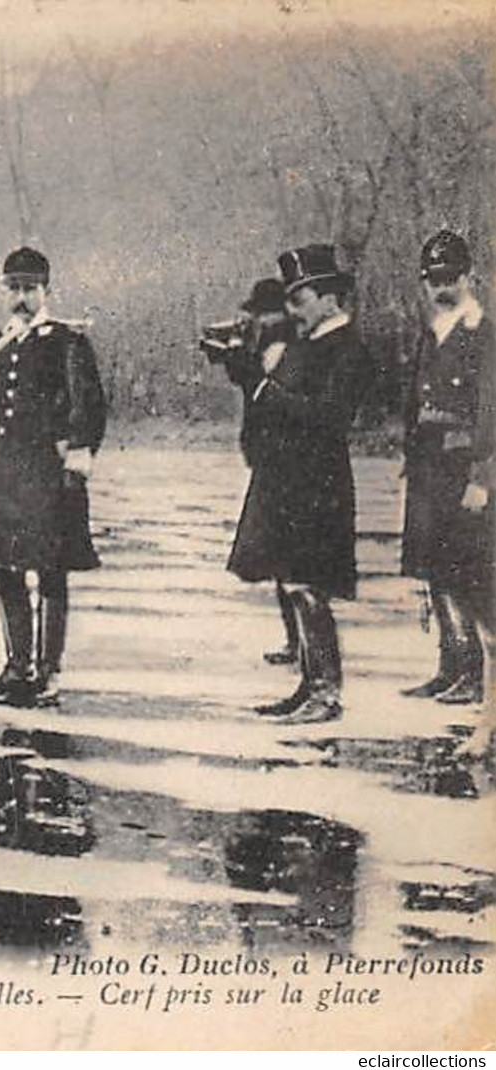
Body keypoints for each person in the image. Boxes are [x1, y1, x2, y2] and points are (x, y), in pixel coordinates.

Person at [0, 246, 107, 708]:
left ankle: (48, 673)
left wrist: (77, 461)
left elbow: (88, 405)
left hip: (45, 472)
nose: (21, 298)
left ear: (47, 291)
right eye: (13, 289)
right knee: (3, 568)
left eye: (29, 289)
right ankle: (16, 668)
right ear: (4, 291)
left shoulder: (67, 342)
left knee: (51, 570)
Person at [227, 244, 370, 724]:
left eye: (301, 298)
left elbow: (328, 416)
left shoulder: (348, 349)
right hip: (290, 484)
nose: (294, 310)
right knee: (294, 584)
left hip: (317, 486)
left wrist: (264, 387)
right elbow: (276, 407)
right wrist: (247, 379)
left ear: (330, 298)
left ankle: (326, 692)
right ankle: (310, 684)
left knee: (309, 588)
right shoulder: (308, 345)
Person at [400, 229, 491, 709]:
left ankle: (475, 672)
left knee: (465, 572)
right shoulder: (429, 334)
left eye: (450, 276)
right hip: (428, 466)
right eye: (433, 278)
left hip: (460, 466)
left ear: (469, 275)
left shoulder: (483, 335)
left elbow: (490, 411)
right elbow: (413, 401)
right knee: (434, 569)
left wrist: (482, 477)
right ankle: (448, 667)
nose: (442, 287)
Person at [211, 278, 304, 699]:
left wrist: (241, 360)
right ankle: (295, 641)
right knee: (279, 561)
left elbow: (266, 391)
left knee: (289, 561)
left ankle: (300, 643)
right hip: (270, 459)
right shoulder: (271, 343)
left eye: (263, 313)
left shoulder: (287, 347)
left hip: (285, 462)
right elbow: (252, 384)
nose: (257, 320)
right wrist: (233, 359)